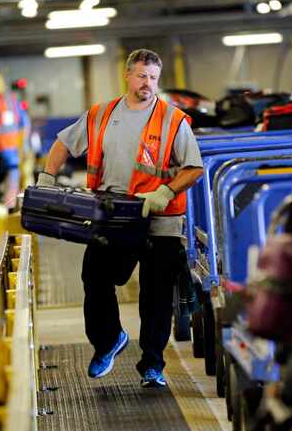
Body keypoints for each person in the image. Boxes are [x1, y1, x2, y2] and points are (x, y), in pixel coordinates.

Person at [38, 49, 203, 388]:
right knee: (95, 276)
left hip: (160, 219)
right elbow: (63, 144)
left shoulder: (173, 120)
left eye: (154, 78)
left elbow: (194, 168)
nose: (148, 84)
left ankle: (153, 364)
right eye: (142, 76)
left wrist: (166, 192)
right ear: (128, 75)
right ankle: (109, 339)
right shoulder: (100, 115)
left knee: (156, 295)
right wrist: (46, 178)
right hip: (114, 215)